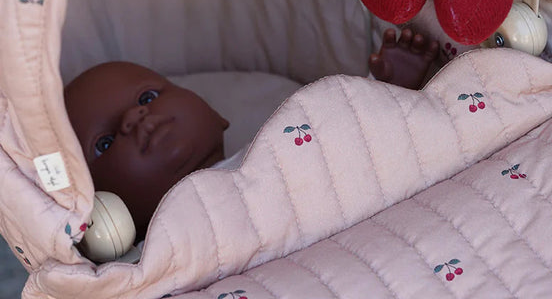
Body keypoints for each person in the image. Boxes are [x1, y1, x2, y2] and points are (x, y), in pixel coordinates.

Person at [64, 28, 440, 239]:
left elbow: (346, 146)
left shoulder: (274, 146)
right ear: (106, 211)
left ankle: (387, 94)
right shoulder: (151, 254)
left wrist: (377, 88)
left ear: (216, 115)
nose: (136, 119)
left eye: (148, 96)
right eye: (106, 142)